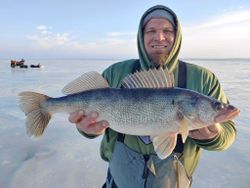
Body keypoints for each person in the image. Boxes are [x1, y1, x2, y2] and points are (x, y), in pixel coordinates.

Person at [68, 5, 236, 188]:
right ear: (141, 36)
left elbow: (228, 135)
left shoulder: (204, 79)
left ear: (177, 36)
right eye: (151, 31)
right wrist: (86, 129)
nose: (159, 37)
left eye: (167, 31)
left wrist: (214, 137)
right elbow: (86, 118)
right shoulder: (115, 73)